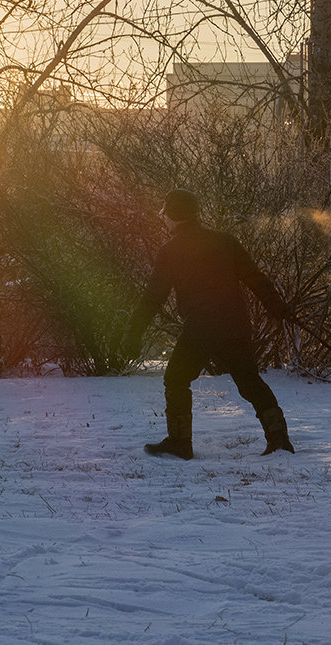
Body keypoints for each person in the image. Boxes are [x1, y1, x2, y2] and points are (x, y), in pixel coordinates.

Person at [127, 189, 294, 460]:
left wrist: (132, 334)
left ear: (172, 215)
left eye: (164, 214)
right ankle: (279, 438)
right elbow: (255, 277)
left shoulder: (170, 251)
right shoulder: (225, 241)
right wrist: (277, 307)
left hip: (202, 327)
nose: (163, 219)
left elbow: (152, 298)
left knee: (176, 378)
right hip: (235, 323)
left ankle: (180, 443)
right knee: (249, 380)